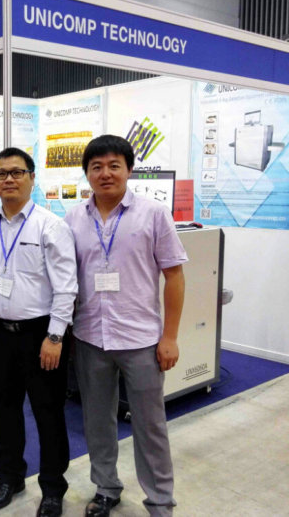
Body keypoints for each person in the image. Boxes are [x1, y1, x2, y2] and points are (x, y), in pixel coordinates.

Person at [64, 135, 187, 517]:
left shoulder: (153, 214)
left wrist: (170, 337)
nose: (105, 173)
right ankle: (106, 488)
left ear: (129, 170)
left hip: (141, 341)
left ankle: (160, 501)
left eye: (114, 165)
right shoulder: (73, 218)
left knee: (150, 426)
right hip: (90, 338)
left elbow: (175, 276)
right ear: (87, 173)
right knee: (97, 422)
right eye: (96, 167)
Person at [0, 148, 78, 517]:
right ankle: (10, 477)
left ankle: (52, 487)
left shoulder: (51, 226)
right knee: (4, 411)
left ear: (32, 178)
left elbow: (66, 287)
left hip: (41, 335)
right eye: (1, 173)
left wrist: (55, 336)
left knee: (48, 413)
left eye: (17, 172)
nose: (9, 179)